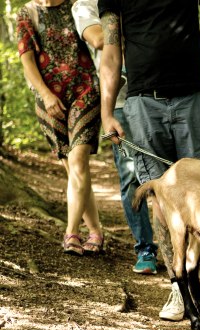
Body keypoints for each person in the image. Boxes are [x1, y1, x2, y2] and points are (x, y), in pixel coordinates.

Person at [98, 0, 200, 322]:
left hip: (193, 99)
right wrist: (107, 112)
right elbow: (111, 54)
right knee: (161, 199)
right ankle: (178, 287)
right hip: (142, 105)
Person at [71, 0, 158, 274]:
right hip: (120, 100)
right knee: (131, 176)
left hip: (159, 90)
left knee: (171, 171)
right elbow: (99, 40)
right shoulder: (83, 5)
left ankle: (186, 247)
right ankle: (145, 248)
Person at [16, 0, 103, 256]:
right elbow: (27, 59)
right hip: (49, 98)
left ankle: (71, 233)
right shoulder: (28, 12)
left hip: (85, 91)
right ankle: (96, 231)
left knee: (78, 161)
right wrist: (45, 94)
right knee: (73, 168)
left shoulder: (77, 6)